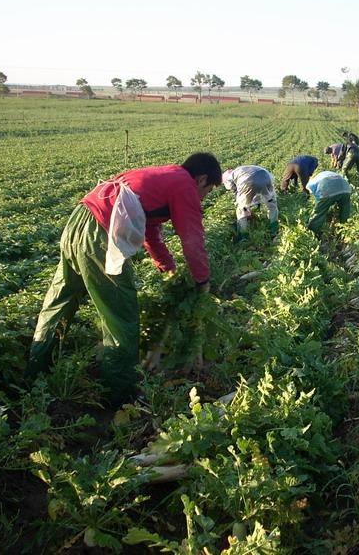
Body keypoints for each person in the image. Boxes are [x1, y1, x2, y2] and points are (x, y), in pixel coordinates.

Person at [26, 152, 222, 408]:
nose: (203, 198)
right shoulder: (184, 185)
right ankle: (120, 396)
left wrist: (168, 268)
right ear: (202, 179)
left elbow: (150, 231)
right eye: (207, 192)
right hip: (99, 235)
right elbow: (192, 239)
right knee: (122, 315)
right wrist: (202, 280)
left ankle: (35, 370)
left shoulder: (164, 177)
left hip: (78, 222)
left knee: (61, 300)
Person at [222, 165, 279, 239]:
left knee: (241, 210)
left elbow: (233, 189)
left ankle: (243, 236)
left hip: (247, 180)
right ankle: (274, 230)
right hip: (266, 176)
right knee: (271, 204)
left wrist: (243, 205)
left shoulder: (228, 176)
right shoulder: (242, 169)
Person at [305, 171, 352, 235]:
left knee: (319, 213)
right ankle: (344, 230)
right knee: (345, 211)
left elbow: (316, 197)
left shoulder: (311, 182)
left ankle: (312, 232)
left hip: (327, 189)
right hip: (346, 188)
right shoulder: (326, 174)